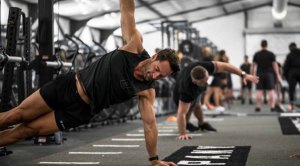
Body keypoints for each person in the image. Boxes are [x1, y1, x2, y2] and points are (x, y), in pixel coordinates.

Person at [0, 0, 179, 165]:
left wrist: (155, 160)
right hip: (68, 86)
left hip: (80, 111)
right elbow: (127, 11)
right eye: (157, 70)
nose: (155, 76)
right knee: (15, 116)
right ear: (155, 57)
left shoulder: (147, 90)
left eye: (161, 76)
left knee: (27, 131)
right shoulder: (134, 45)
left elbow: (149, 125)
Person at [173, 61, 259, 140]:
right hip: (180, 93)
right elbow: (181, 113)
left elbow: (225, 66)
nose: (207, 83)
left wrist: (243, 74)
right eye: (204, 82)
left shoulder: (203, 67)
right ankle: (186, 125)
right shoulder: (187, 90)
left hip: (193, 84)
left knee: (198, 106)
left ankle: (202, 124)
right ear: (195, 82)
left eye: (207, 79)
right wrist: (182, 134)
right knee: (188, 110)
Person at [251, 40, 281, 112]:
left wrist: (251, 75)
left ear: (261, 45)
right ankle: (272, 106)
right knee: (271, 91)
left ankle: (258, 106)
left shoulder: (257, 54)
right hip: (269, 74)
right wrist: (277, 74)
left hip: (260, 74)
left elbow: (253, 66)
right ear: (267, 45)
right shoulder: (271, 54)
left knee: (259, 90)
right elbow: (275, 65)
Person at [283, 42, 300, 112]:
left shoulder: (289, 55)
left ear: (290, 48)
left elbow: (286, 67)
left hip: (292, 73)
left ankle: (291, 104)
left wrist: (287, 77)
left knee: (291, 90)